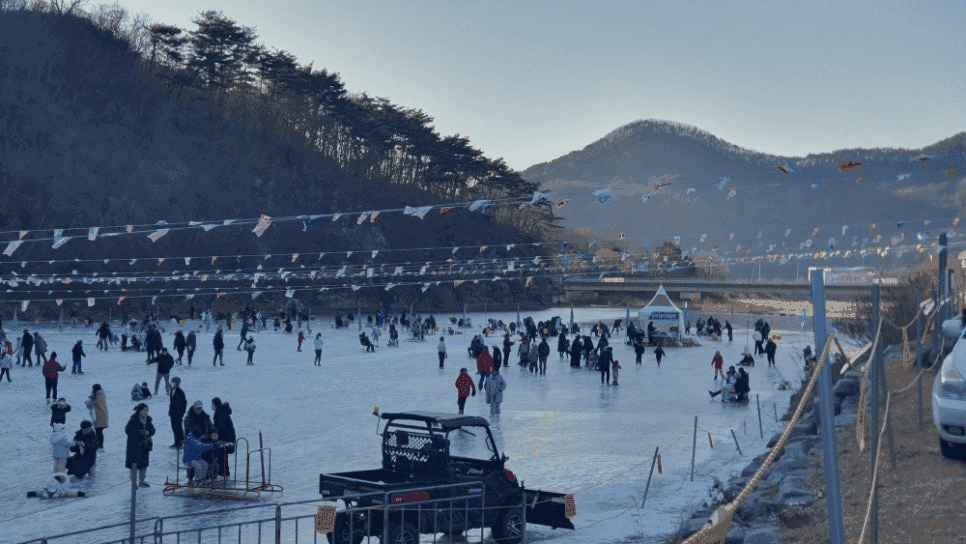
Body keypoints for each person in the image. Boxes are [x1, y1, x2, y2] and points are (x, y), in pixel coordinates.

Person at [125, 404, 156, 487]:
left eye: (147, 410)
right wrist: (139, 432)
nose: (146, 412)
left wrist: (148, 432)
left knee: (143, 465)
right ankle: (134, 481)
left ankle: (142, 480)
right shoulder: (133, 419)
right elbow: (127, 430)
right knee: (134, 464)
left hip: (144, 446)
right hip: (134, 446)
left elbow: (153, 430)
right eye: (144, 410)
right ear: (139, 411)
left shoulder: (148, 420)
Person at [85, 384, 108, 451]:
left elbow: (93, 404)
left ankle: (100, 446)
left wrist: (88, 403)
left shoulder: (98, 395)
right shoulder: (100, 394)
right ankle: (100, 446)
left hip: (99, 416)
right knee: (99, 431)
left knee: (99, 432)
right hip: (101, 415)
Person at [169, 377, 187, 447]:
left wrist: (182, 412)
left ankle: (180, 442)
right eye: (172, 381)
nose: (172, 383)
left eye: (174, 382)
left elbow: (184, 403)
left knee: (178, 428)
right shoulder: (172, 390)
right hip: (172, 413)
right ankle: (176, 441)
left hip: (178, 413)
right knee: (174, 428)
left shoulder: (180, 392)